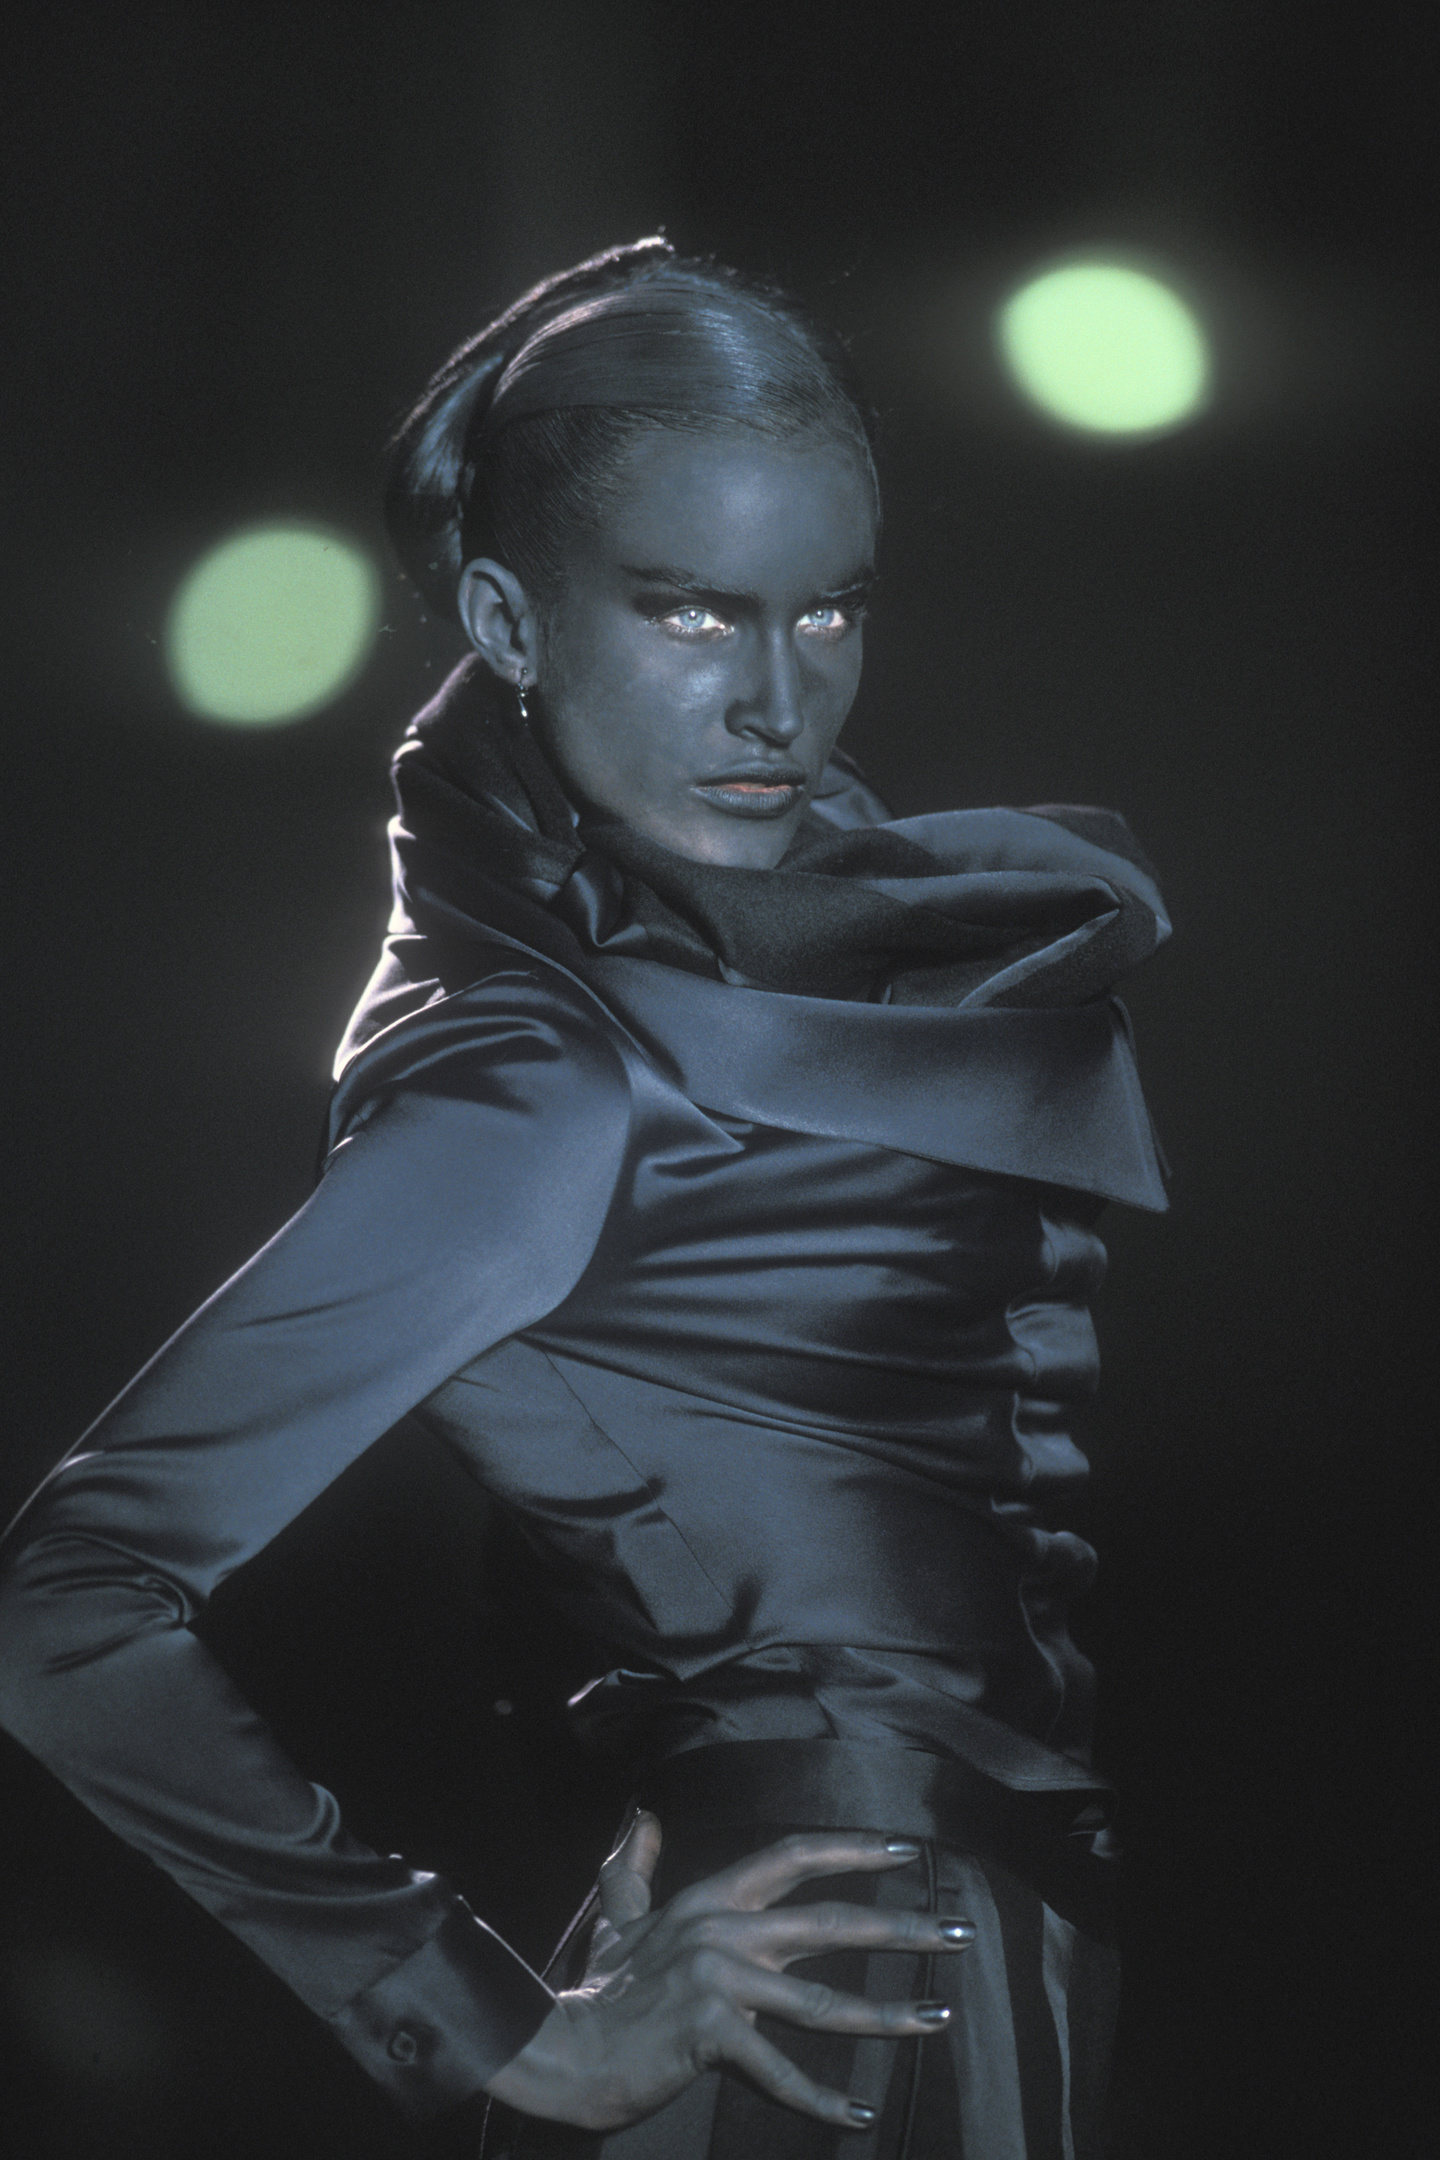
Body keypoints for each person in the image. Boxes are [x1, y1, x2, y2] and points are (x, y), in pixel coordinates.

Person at [0, 238, 1170, 2157]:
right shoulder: (543, 1072)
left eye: (830, 609)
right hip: (838, 2001)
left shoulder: (756, 977)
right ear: (508, 619)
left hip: (928, 1958)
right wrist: (486, 2023)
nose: (778, 699)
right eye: (692, 613)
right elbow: (63, 1606)